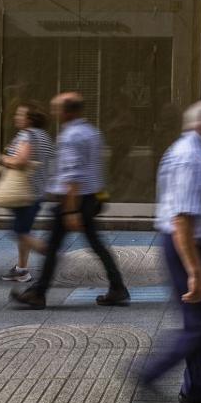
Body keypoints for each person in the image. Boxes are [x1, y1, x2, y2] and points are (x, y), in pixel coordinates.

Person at [138, 101, 201, 403]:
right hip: (192, 250)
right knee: (198, 325)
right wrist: (194, 270)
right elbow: (182, 218)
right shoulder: (189, 158)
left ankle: (197, 387)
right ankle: (148, 373)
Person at [11, 92, 129, 309]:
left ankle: (38, 293)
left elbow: (72, 175)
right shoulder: (92, 132)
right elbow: (96, 166)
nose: (54, 112)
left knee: (56, 244)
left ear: (67, 112)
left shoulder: (71, 136)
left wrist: (70, 210)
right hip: (90, 197)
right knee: (95, 244)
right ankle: (117, 287)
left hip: (73, 200)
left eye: (56, 108)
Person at [0, 102, 55, 283]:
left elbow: (21, 162)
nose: (16, 117)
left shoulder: (27, 135)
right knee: (24, 230)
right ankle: (22, 270)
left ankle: (50, 252)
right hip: (37, 190)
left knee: (18, 231)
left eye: (20, 115)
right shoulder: (44, 136)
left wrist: (4, 159)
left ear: (29, 119)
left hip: (23, 190)